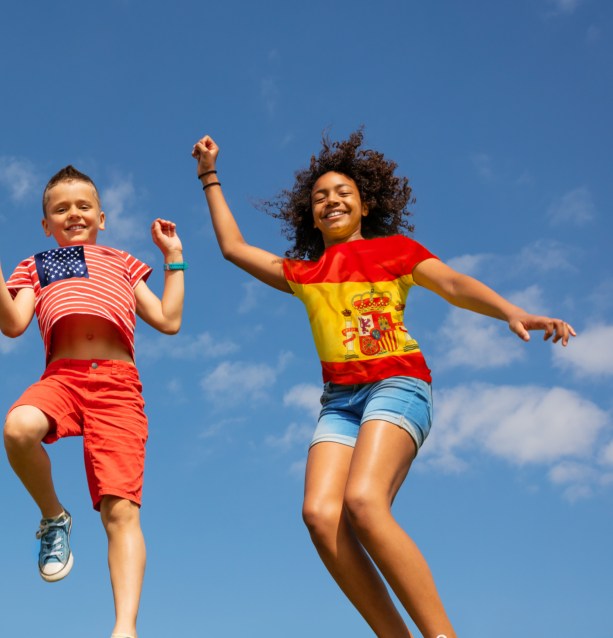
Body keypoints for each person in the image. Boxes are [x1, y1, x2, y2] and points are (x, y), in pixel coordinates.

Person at [192, 131, 575, 638]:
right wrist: (208, 175)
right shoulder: (305, 274)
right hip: (339, 402)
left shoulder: (395, 251)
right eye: (320, 197)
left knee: (364, 504)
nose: (331, 201)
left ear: (365, 206)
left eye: (343, 193)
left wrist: (511, 310)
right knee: (320, 514)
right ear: (311, 216)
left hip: (397, 383)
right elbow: (233, 248)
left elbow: (454, 283)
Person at [0, 165, 185, 638]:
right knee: (19, 427)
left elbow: (168, 320)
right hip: (61, 377)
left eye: (83, 206)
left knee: (120, 510)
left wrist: (175, 258)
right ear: (46, 224)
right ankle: (53, 516)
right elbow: (11, 324)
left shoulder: (124, 262)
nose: (73, 214)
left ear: (101, 217)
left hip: (118, 385)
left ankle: (124, 628)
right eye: (60, 209)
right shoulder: (37, 264)